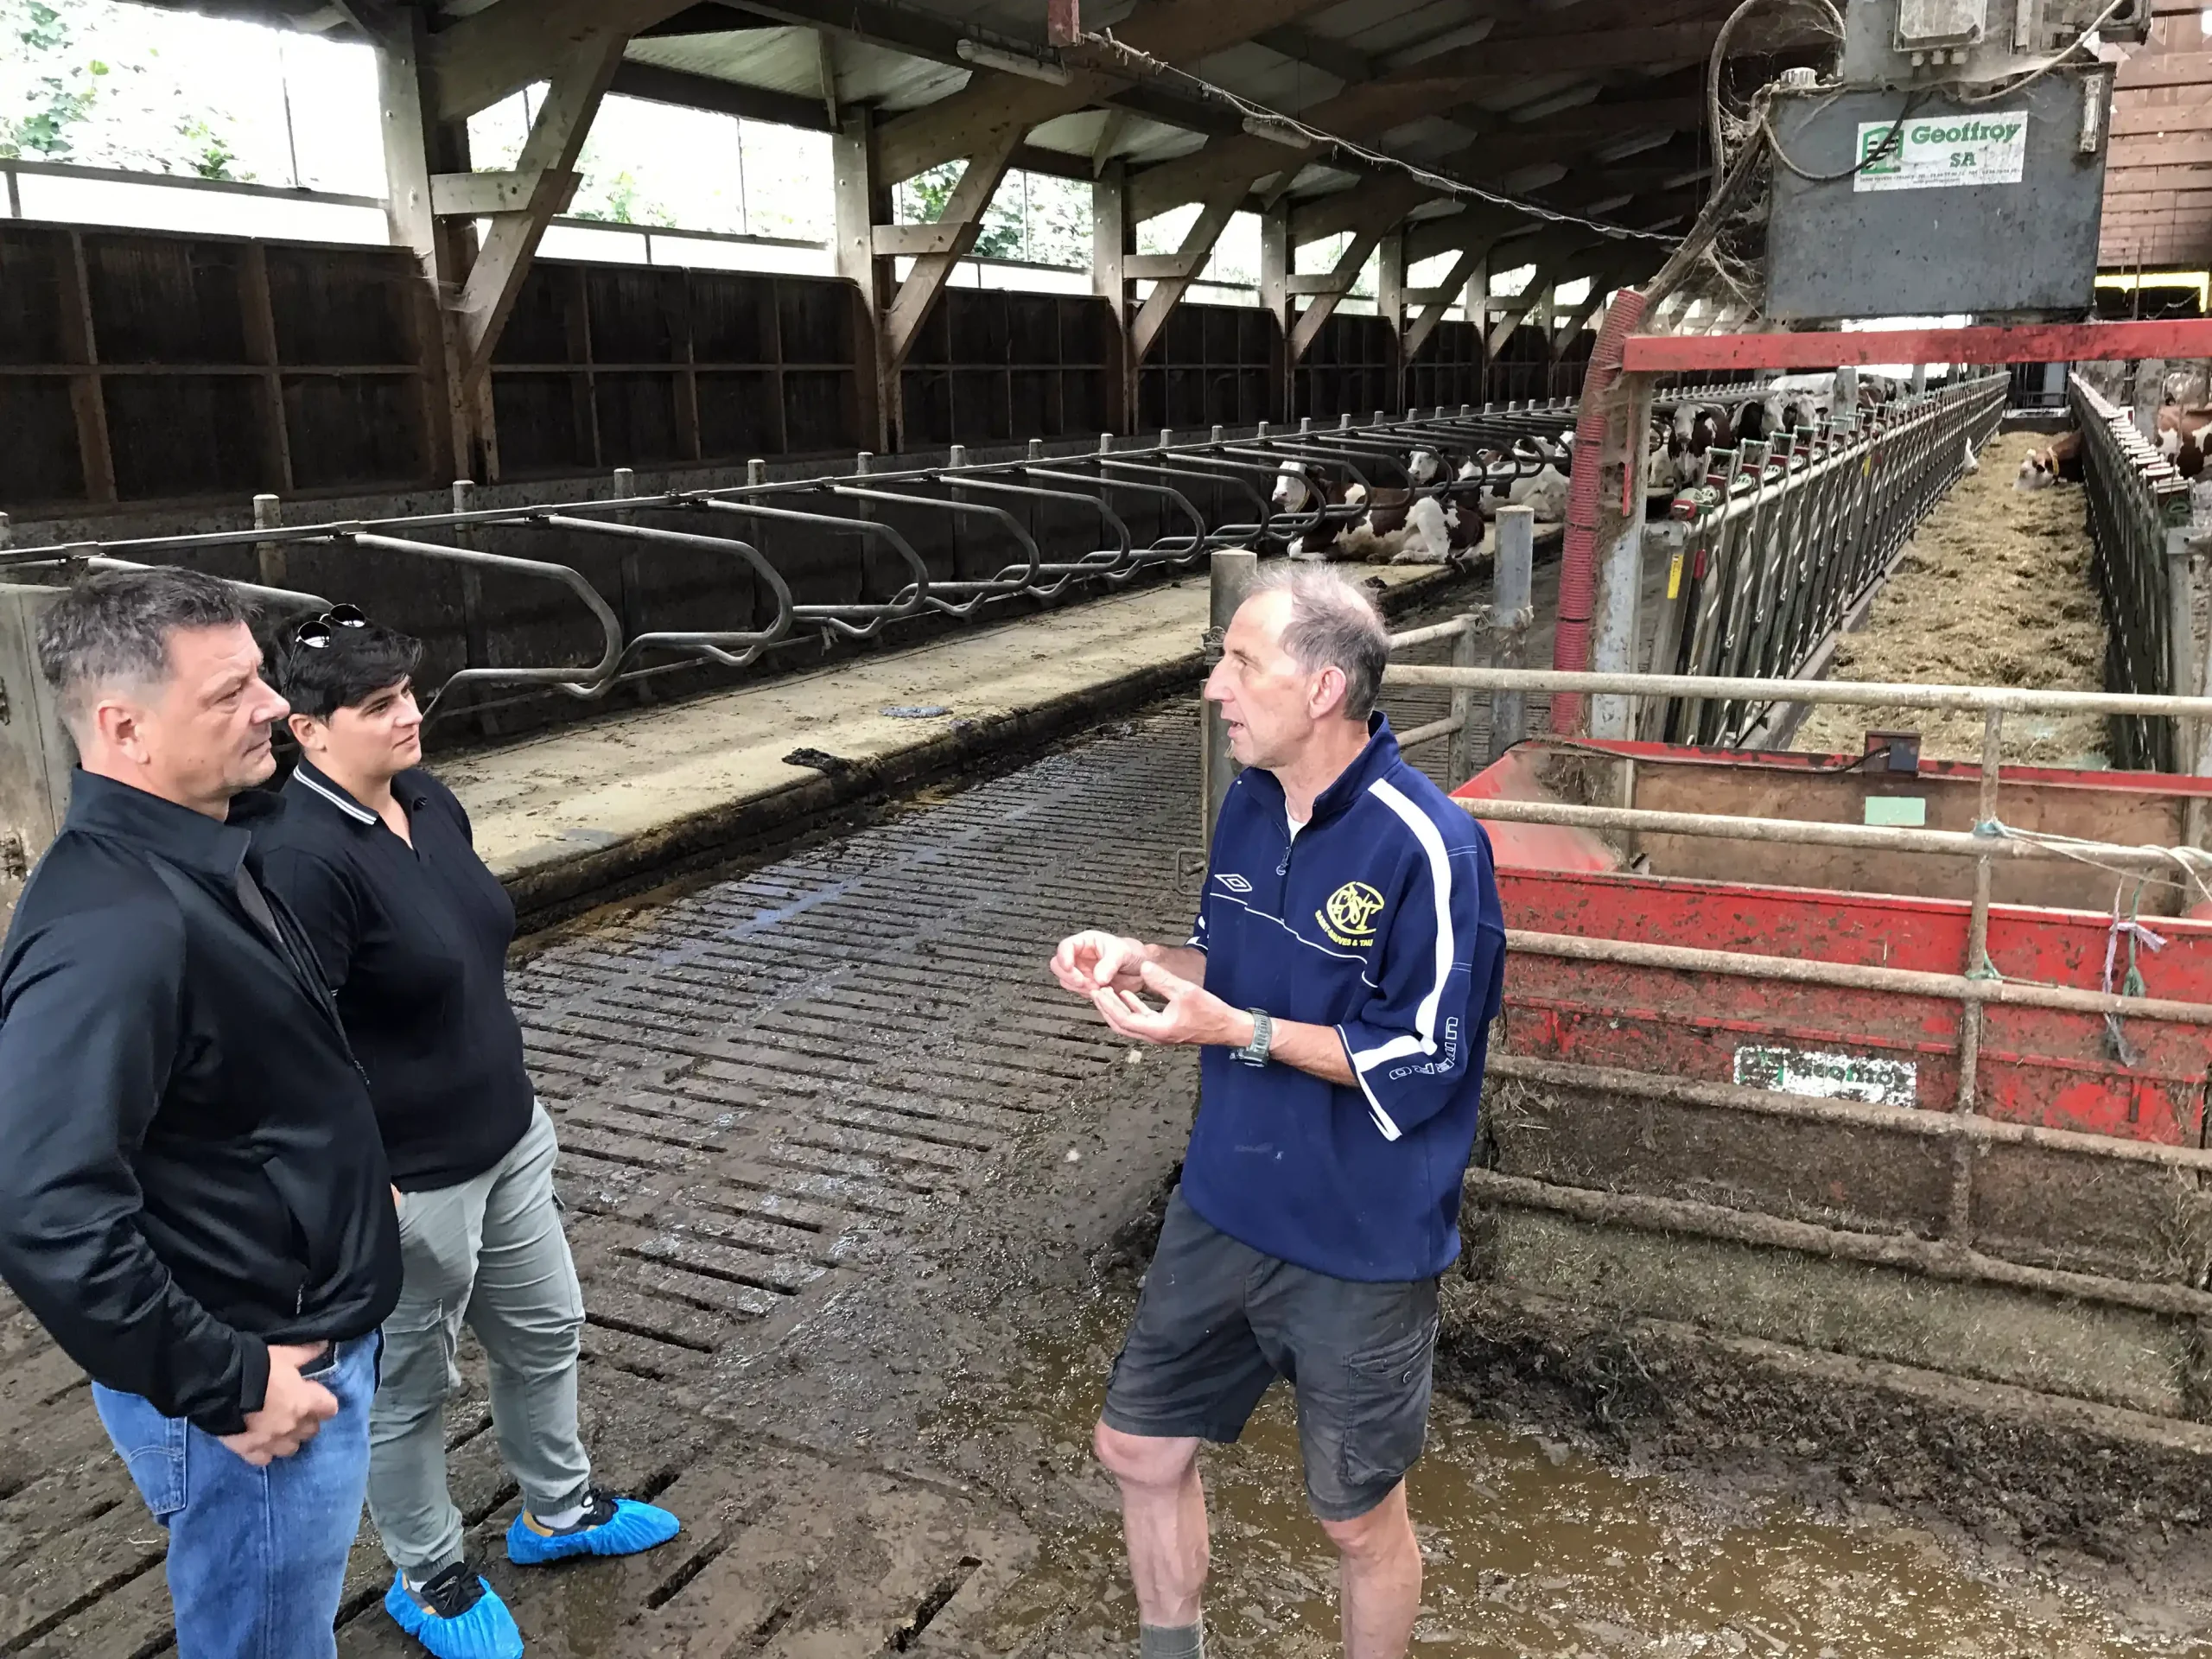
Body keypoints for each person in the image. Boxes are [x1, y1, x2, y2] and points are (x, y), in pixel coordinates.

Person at [1050, 564, 1505, 1659]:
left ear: (1322, 689)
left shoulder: (1432, 848)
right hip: (1224, 1200)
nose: (1215, 687)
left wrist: (1234, 1033)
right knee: (1138, 1450)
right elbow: (1234, 962)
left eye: (1240, 663)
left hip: (1357, 1238)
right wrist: (1144, 956)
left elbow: (1425, 1056)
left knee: (1354, 1517)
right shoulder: (1252, 801)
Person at [253, 607, 678, 1659]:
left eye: (408, 694)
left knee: (545, 1330)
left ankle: (557, 1510)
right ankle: (428, 1567)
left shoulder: (427, 800)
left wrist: (518, 1113)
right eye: (378, 705)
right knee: (407, 1383)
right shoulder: (301, 859)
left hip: (508, 1136)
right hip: (411, 1178)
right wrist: (362, 1177)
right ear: (307, 731)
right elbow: (289, 1041)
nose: (409, 715)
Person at [0, 568, 403, 1659]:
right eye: (230, 694)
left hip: (288, 1320)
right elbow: (41, 1208)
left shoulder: (202, 840)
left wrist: (351, 1175)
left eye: (259, 679)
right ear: (123, 727)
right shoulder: (113, 927)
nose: (275, 706)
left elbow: (237, 1087)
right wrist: (228, 1384)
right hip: (257, 1379)